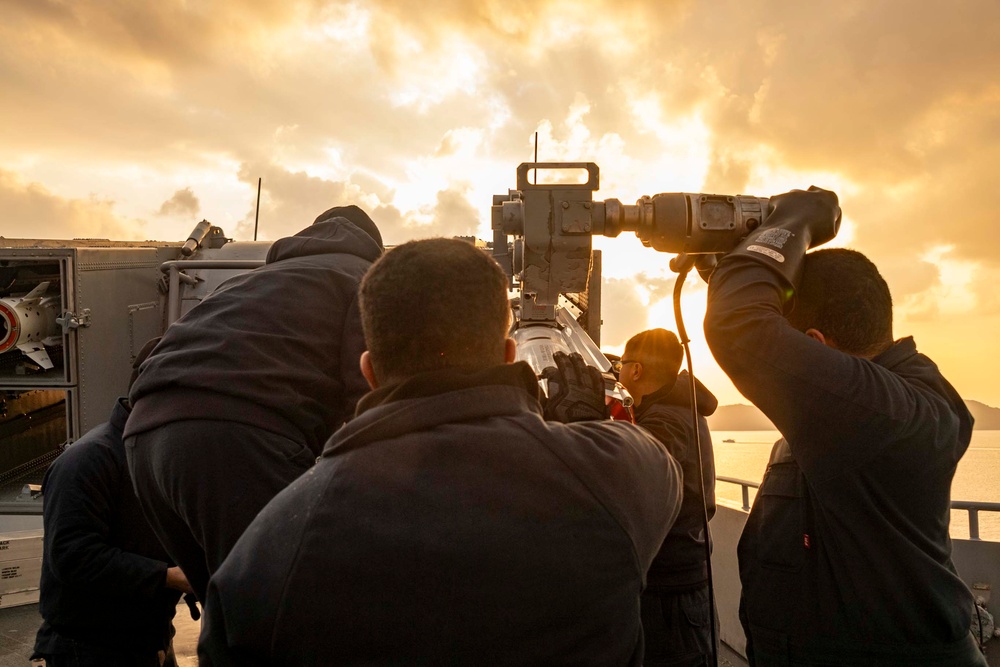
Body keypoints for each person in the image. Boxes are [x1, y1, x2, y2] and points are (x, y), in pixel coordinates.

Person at [198, 237, 683, 666]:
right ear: (509, 355)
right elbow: (646, 465)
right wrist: (583, 424)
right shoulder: (623, 474)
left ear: (369, 370)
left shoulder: (268, 548)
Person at [703, 188, 986, 666]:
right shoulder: (873, 405)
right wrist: (733, 266)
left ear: (815, 343)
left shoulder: (884, 415)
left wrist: (797, 221)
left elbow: (739, 325)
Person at [124, 205, 383, 601]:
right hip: (236, 437)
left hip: (143, 439)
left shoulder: (249, 281)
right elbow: (362, 391)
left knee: (228, 607)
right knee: (295, 604)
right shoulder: (361, 279)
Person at [32, 339, 193, 667]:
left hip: (146, 638)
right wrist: (170, 576)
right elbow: (73, 557)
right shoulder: (88, 460)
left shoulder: (154, 456)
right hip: (90, 650)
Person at [617, 328, 719, 666]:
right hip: (682, 592)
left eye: (621, 364)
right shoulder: (679, 410)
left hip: (671, 601)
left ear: (636, 371)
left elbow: (628, 490)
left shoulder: (664, 423)